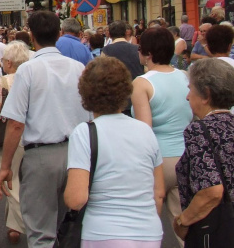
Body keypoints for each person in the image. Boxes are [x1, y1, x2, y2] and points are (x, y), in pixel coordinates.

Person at [0, 11, 90, 247]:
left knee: (40, 232)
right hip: (77, 154)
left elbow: (16, 123)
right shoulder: (78, 68)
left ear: (31, 35)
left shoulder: (28, 70)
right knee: (69, 226)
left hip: (41, 156)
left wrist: (6, 166)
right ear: (59, 34)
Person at [65, 57, 165, 247]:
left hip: (103, 232)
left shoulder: (85, 132)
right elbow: (158, 192)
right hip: (148, 231)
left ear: (85, 93)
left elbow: (76, 199)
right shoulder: (145, 131)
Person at [131, 27, 193, 246]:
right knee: (181, 222)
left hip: (158, 159)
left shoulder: (142, 83)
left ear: (148, 53)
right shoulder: (186, 77)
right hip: (186, 155)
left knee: (146, 223)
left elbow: (144, 129)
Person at [174, 58, 234, 242]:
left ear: (206, 94)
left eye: (190, 89)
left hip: (215, 229)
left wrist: (183, 221)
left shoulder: (199, 130)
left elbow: (212, 191)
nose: (187, 96)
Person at [0, 41, 31, 244]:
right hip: (33, 136)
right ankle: (13, 226)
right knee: (27, 181)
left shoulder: (2, 82)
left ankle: (34, 230)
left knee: (11, 184)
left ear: (9, 62)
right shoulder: (33, 78)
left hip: (8, 138)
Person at [102, 20, 144, 116]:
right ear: (125, 33)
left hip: (116, 99)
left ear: (110, 34)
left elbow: (102, 74)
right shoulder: (137, 49)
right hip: (138, 96)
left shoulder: (106, 50)